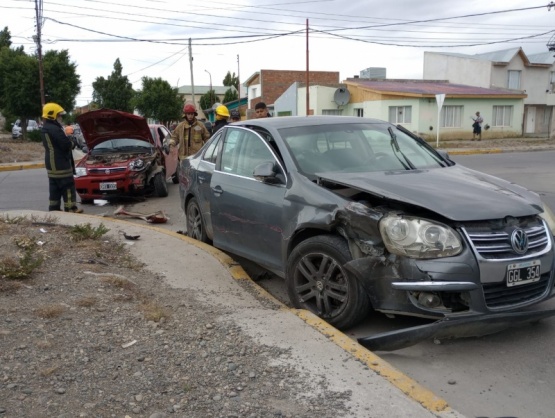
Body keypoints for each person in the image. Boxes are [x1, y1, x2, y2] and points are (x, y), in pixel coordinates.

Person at [40, 102, 83, 213]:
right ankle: (71, 209)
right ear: (52, 115)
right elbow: (66, 145)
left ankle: (54, 210)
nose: (60, 117)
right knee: (68, 186)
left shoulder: (45, 128)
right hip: (61, 164)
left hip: (51, 164)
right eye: (59, 115)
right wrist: (72, 141)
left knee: (54, 188)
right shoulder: (55, 129)